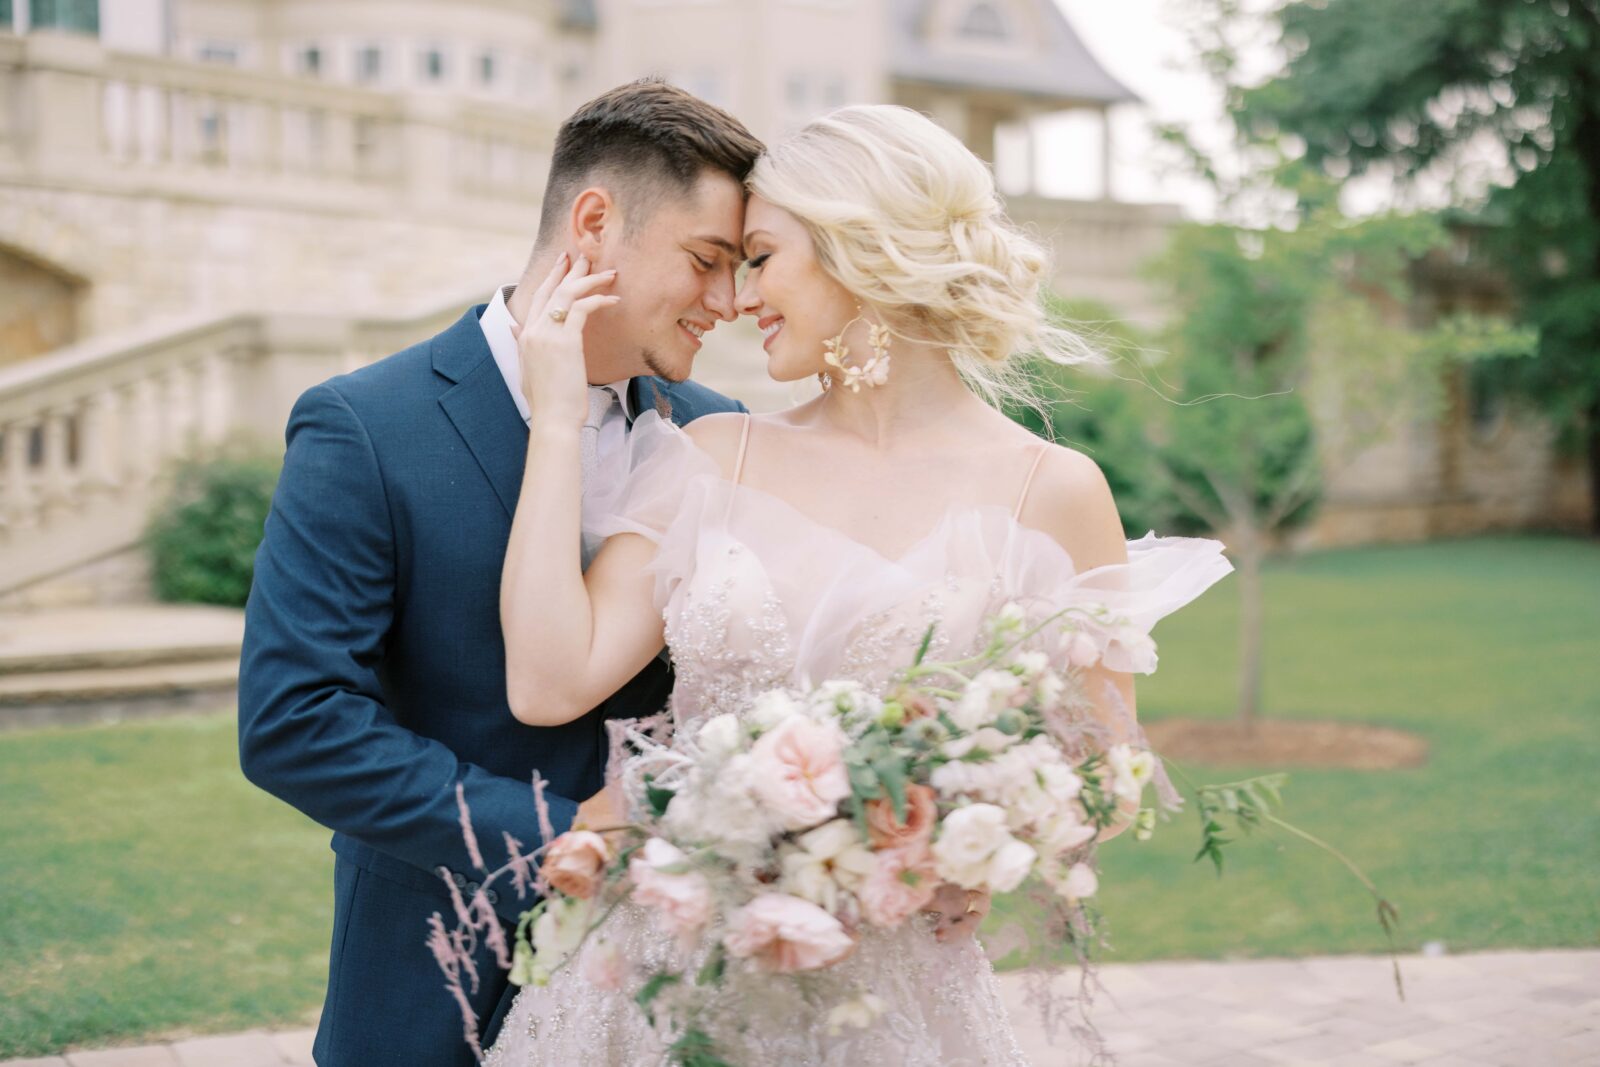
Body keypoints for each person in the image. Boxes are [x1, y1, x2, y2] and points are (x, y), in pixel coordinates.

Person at [485, 105, 1233, 1065]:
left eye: (761, 257)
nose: (739, 296)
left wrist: (975, 835)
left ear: (859, 251)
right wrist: (555, 418)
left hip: (894, 988)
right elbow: (547, 683)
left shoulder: (1049, 489)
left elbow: (1106, 772)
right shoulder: (715, 456)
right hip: (665, 970)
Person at [236, 80, 763, 1067]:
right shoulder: (366, 424)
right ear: (595, 222)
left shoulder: (715, 427)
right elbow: (295, 720)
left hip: (673, 982)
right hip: (430, 981)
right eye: (705, 261)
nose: (728, 302)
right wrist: (565, 833)